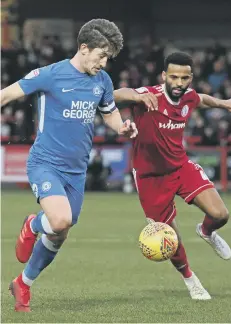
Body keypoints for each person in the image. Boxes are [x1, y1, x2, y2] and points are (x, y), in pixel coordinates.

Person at [1, 19, 138, 312]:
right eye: (101, 55)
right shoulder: (51, 75)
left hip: (77, 171)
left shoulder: (102, 81)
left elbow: (109, 114)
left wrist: (123, 127)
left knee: (60, 231)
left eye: (108, 58)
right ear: (83, 48)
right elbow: (6, 95)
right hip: (45, 163)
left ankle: (23, 283)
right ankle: (33, 223)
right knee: (59, 221)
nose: (104, 62)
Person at [114, 51, 231, 300]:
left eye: (185, 78)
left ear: (191, 77)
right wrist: (136, 95)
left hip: (181, 167)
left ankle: (207, 232)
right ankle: (191, 280)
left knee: (221, 215)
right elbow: (114, 95)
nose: (179, 83)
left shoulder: (188, 96)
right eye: (174, 77)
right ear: (164, 75)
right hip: (149, 177)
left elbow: (202, 99)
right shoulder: (149, 95)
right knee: (170, 239)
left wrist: (223, 103)